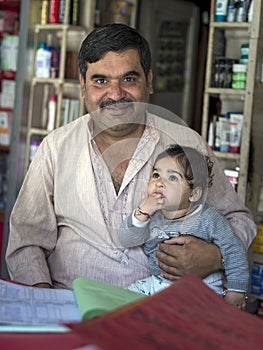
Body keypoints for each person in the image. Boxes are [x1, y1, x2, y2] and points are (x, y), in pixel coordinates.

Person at [5, 23, 256, 290]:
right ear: (83, 85)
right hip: (71, 306)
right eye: (101, 80)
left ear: (148, 81)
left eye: (128, 79)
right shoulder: (55, 148)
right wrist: (46, 306)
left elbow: (238, 219)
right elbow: (27, 242)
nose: (115, 94)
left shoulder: (185, 143)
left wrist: (215, 257)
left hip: (162, 312)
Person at [118, 144, 249, 309]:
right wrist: (142, 214)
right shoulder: (152, 216)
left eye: (172, 178)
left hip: (202, 288)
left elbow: (233, 249)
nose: (159, 183)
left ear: (194, 194)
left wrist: (236, 290)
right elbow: (126, 239)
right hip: (159, 283)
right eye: (156, 175)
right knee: (121, 299)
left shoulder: (208, 218)